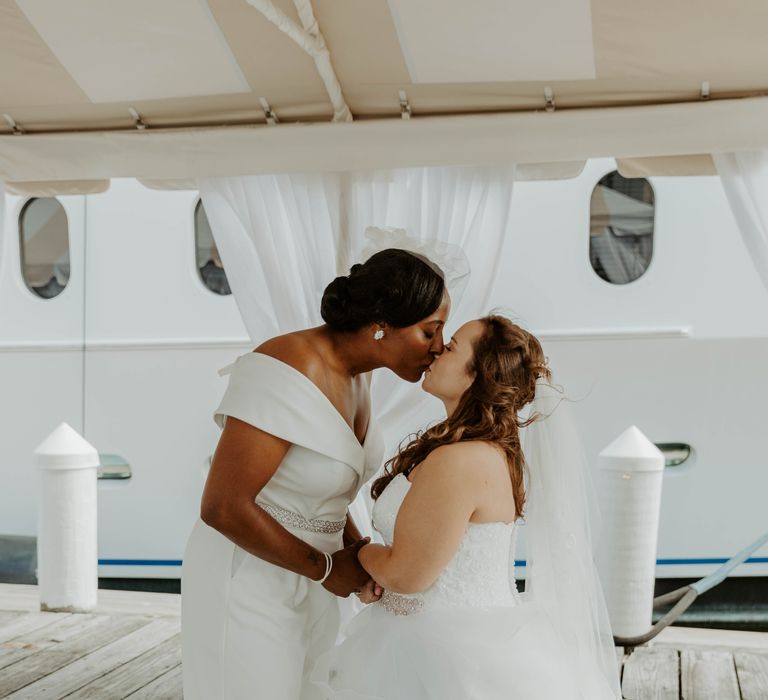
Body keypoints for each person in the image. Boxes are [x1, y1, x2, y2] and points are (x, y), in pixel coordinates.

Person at [181, 248, 450, 700]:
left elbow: (327, 491)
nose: (440, 348)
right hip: (251, 575)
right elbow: (222, 505)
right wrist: (326, 569)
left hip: (315, 574)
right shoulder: (289, 364)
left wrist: (358, 552)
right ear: (381, 322)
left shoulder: (359, 375)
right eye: (430, 331)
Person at [313, 314, 622, 699]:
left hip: (446, 657)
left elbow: (408, 575)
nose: (438, 349)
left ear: (478, 374)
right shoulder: (480, 449)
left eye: (453, 346)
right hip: (437, 640)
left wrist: (362, 555)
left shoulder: (460, 460)